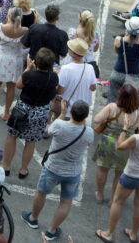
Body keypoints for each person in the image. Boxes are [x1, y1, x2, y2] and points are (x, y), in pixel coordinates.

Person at [21, 100, 95, 241]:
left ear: (71, 112)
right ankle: (52, 230)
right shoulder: (89, 132)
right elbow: (88, 141)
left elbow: (47, 131)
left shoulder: (60, 125)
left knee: (41, 193)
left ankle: (33, 218)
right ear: (85, 116)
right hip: (73, 172)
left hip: (53, 168)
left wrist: (61, 113)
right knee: (66, 202)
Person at [95, 109, 139, 243]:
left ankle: (109, 233)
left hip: (133, 174)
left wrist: (125, 129)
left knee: (117, 201)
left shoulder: (137, 138)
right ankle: (133, 234)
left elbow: (119, 146)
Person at [3, 47, 60, 180]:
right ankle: (23, 169)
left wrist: (28, 68)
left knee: (12, 136)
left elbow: (18, 85)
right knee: (31, 141)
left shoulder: (29, 75)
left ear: (36, 62)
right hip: (40, 111)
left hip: (23, 109)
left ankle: (6, 166)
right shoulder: (53, 77)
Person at [0, 6, 28, 121]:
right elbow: (25, 45)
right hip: (16, 59)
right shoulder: (25, 30)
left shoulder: (1, 27)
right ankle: (6, 113)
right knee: (11, 87)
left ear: (9, 16)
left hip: (1, 57)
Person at [108, 16, 139, 101]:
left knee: (112, 100)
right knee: (129, 103)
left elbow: (117, 51)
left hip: (118, 72)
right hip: (134, 76)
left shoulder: (118, 40)